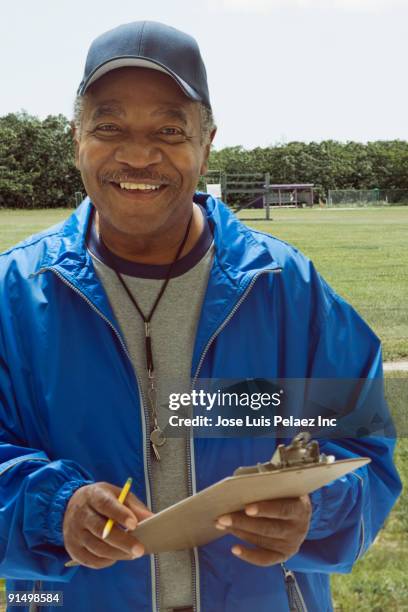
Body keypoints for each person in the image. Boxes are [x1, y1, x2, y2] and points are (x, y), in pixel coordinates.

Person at [0, 20, 401, 612]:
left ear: (207, 141)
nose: (138, 154)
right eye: (109, 126)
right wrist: (52, 509)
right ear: (76, 137)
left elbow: (363, 453)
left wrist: (314, 514)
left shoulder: (286, 291)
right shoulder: (15, 297)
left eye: (168, 128)